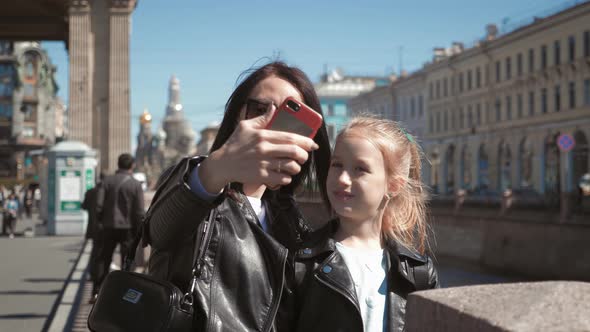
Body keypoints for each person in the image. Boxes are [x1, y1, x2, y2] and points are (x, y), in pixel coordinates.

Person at [144, 61, 331, 331]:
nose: (270, 123)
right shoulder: (197, 180)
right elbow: (159, 232)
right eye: (259, 109)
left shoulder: (291, 217)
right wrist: (216, 169)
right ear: (236, 117)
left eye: (288, 118)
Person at [293, 117, 439, 332]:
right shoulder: (301, 262)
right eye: (337, 165)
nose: (342, 178)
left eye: (359, 169)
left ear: (393, 185)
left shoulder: (418, 271)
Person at [94, 154, 144, 300]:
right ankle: (124, 291)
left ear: (118, 164)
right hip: (128, 229)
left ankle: (98, 291)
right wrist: (138, 231)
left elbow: (98, 205)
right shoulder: (135, 184)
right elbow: (139, 211)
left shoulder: (106, 181)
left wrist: (101, 221)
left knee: (104, 258)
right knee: (128, 260)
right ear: (132, 165)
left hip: (108, 226)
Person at [81, 171, 105, 302]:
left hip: (92, 227)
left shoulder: (90, 192)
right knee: (102, 256)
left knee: (95, 252)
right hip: (105, 229)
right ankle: (100, 283)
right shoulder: (108, 191)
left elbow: (84, 206)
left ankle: (92, 273)